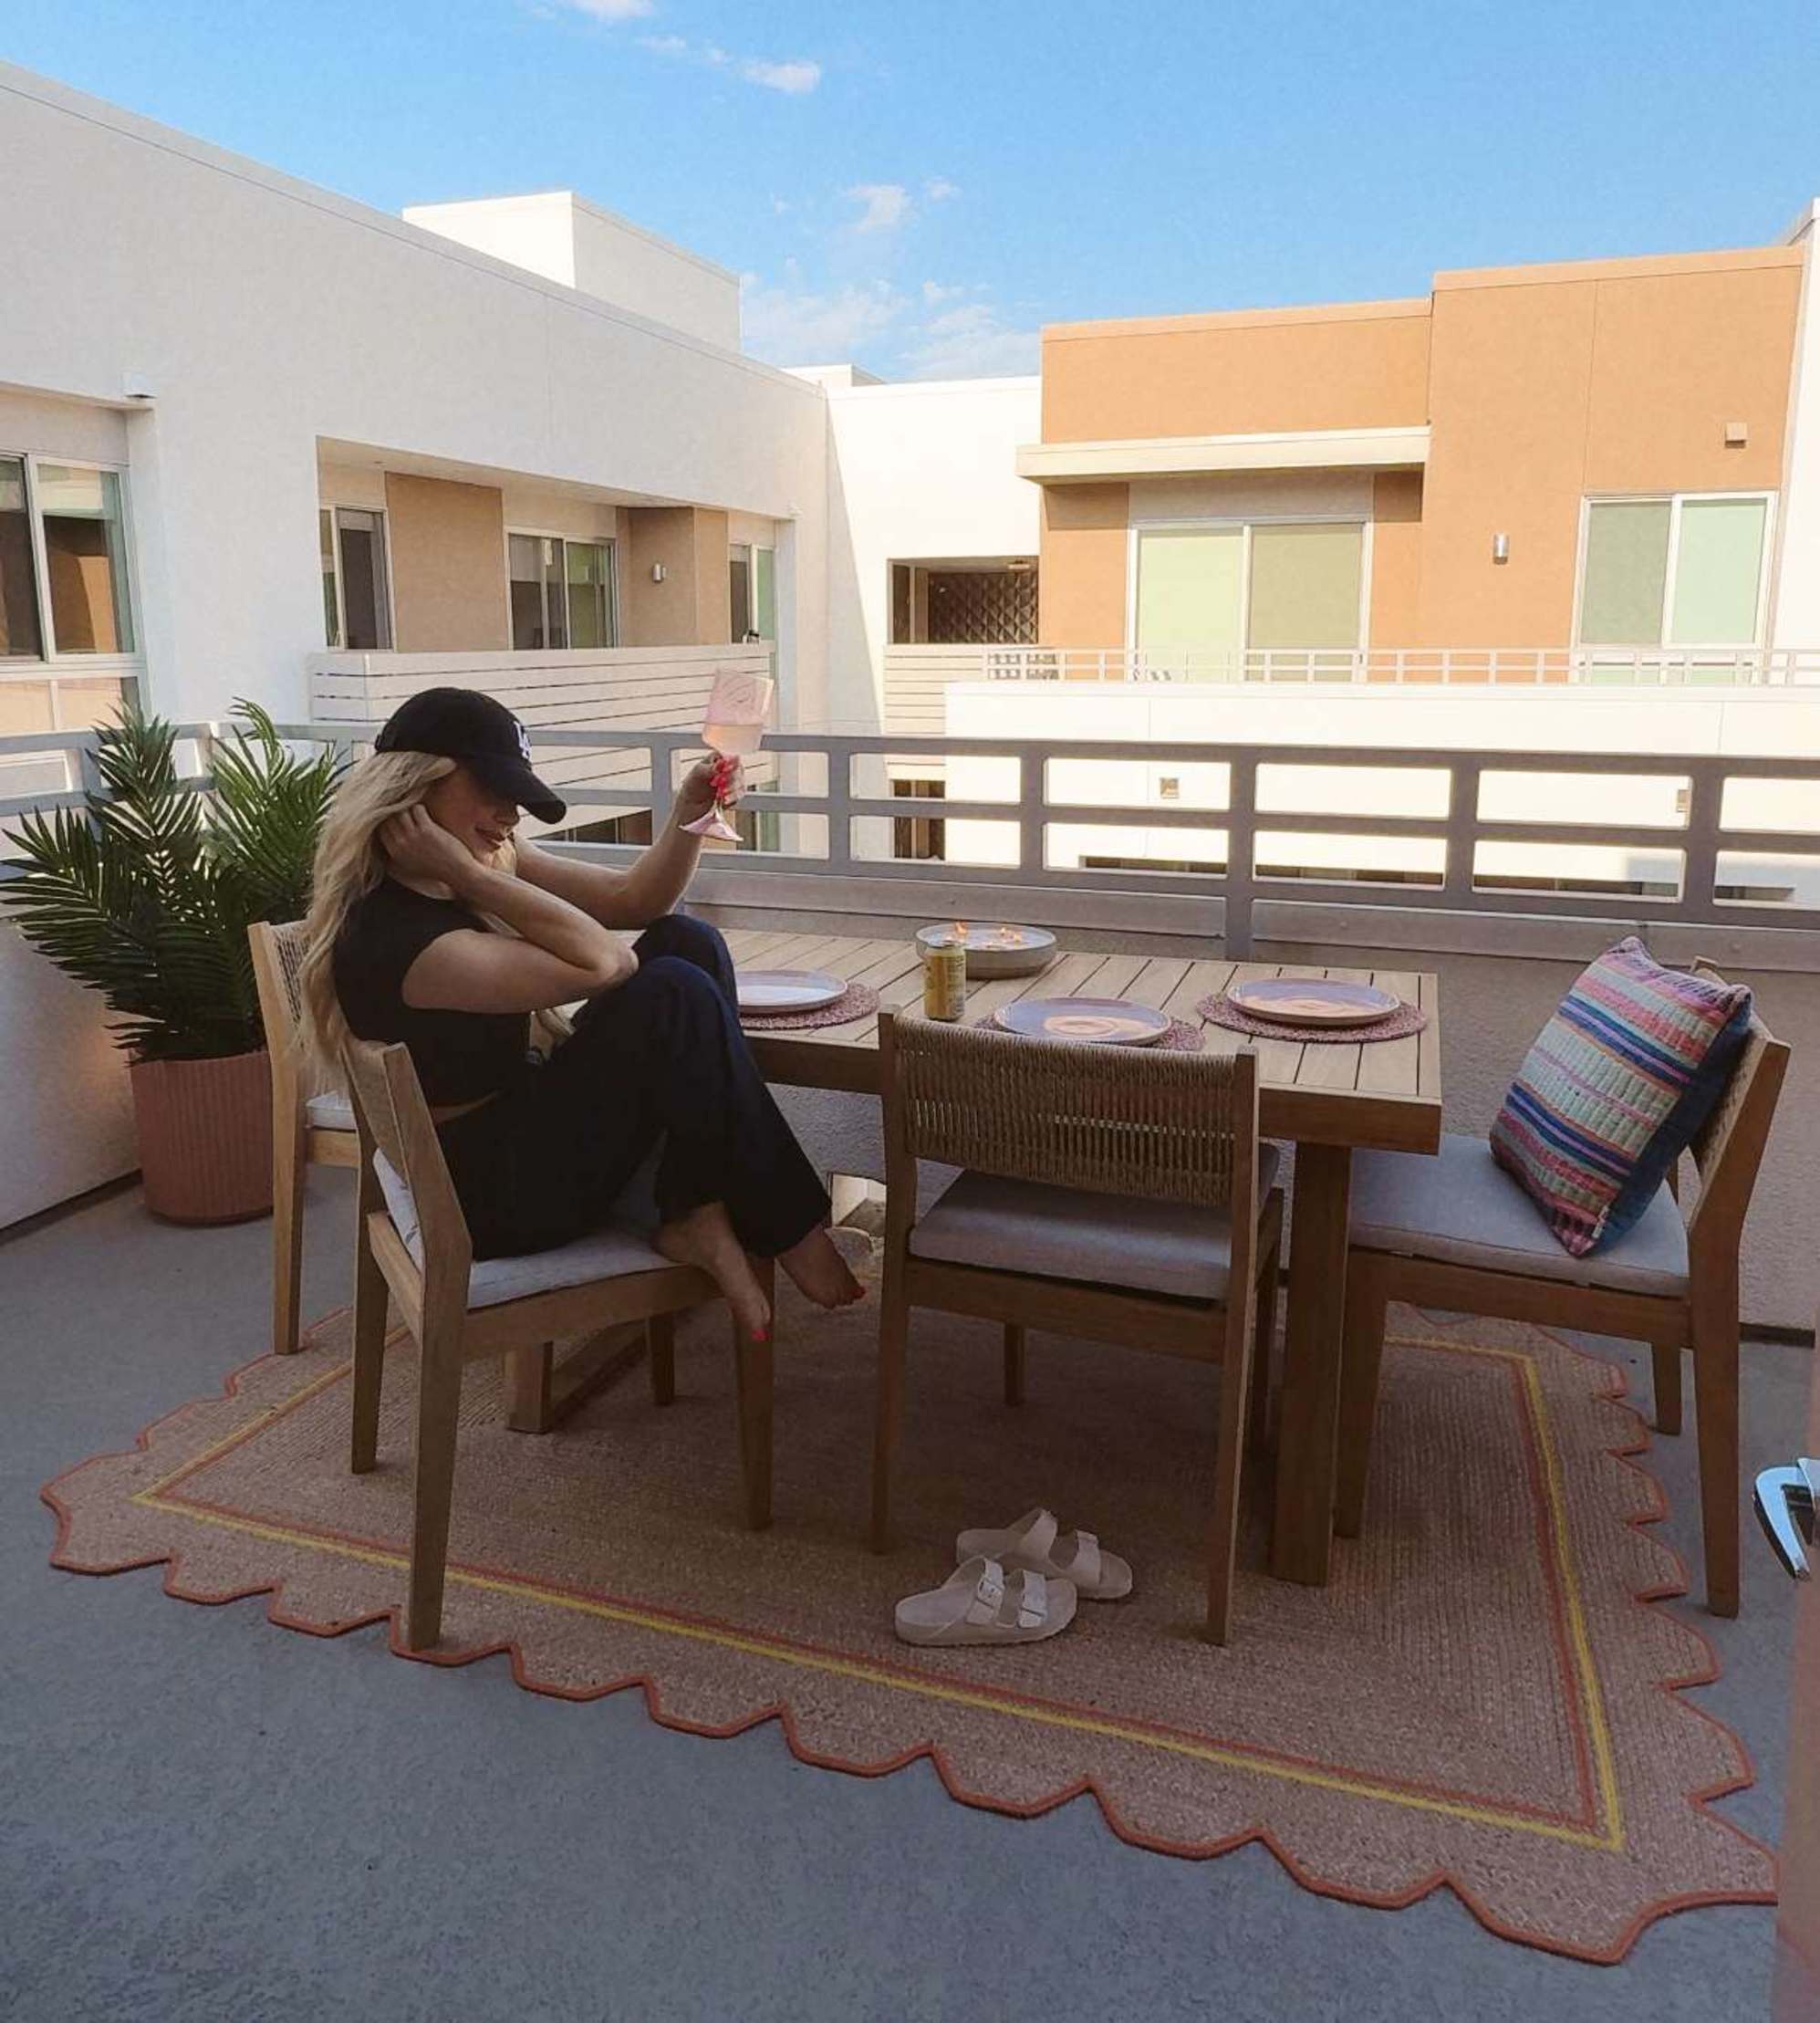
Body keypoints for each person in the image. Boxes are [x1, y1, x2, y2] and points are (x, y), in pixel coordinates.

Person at [298, 686, 862, 1340]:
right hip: (493, 1198)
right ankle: (786, 1224)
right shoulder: (399, 938)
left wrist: (689, 813)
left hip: (521, 1134)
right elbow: (607, 964)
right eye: (491, 787)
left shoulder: (476, 862)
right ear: (412, 785)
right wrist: (478, 877)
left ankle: (695, 1204)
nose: (509, 814)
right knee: (672, 989)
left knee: (687, 943)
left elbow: (635, 900)